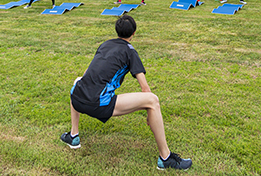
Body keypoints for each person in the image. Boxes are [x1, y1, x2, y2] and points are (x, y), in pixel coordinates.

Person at [60, 15, 192, 170]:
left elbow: (87, 73)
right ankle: (165, 157)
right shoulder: (130, 51)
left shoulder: (105, 44)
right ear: (134, 33)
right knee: (152, 100)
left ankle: (73, 136)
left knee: (78, 81)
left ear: (117, 31)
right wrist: (151, 114)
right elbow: (145, 89)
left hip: (77, 99)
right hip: (98, 104)